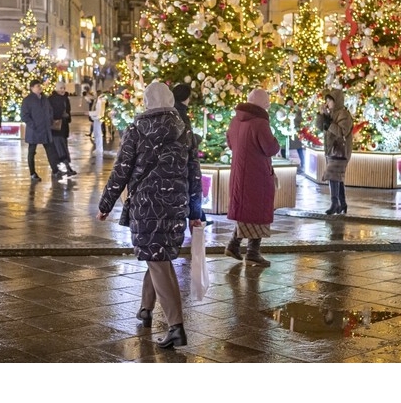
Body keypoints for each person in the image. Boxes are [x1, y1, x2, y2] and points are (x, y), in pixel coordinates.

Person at [96, 81, 202, 349]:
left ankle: (176, 326)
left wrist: (105, 204)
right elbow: (194, 174)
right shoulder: (184, 131)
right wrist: (195, 211)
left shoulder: (137, 129)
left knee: (158, 261)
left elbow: (121, 170)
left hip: (147, 206)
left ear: (146, 102)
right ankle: (145, 309)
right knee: (158, 256)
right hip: (176, 205)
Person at [224, 88, 280, 267]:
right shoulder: (260, 123)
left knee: (246, 212)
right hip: (257, 176)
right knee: (257, 212)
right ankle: (252, 253)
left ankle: (234, 245)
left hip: (240, 174)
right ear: (263, 103)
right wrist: (276, 141)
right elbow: (270, 148)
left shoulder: (235, 121)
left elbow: (230, 143)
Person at [172, 82, 209, 227]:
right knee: (190, 189)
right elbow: (185, 137)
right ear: (187, 97)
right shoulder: (180, 112)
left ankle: (199, 216)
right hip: (182, 163)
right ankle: (198, 217)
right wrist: (196, 139)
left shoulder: (174, 109)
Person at [316, 88, 353, 215]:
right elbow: (320, 126)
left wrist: (329, 123)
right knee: (338, 178)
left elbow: (342, 132)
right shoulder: (330, 113)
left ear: (336, 101)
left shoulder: (343, 114)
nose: (328, 103)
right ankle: (342, 204)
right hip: (331, 150)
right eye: (327, 100)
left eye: (330, 100)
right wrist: (322, 115)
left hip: (340, 151)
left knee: (332, 175)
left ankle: (334, 203)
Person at [20, 79, 63, 182]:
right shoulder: (27, 100)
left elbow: (49, 110)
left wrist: (50, 120)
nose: (39, 88)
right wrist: (33, 125)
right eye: (37, 86)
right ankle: (32, 173)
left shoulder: (44, 98)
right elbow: (24, 115)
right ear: (32, 88)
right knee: (31, 151)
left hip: (45, 129)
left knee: (50, 150)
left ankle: (55, 170)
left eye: (40, 86)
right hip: (34, 130)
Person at [49, 82, 77, 176]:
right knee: (60, 148)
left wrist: (67, 117)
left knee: (63, 146)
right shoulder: (51, 99)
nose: (62, 90)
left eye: (64, 88)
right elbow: (50, 112)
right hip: (56, 128)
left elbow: (68, 110)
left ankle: (59, 169)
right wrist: (59, 116)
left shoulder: (65, 99)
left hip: (63, 127)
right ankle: (64, 168)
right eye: (60, 88)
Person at [281, 96, 305, 173]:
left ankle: (303, 164)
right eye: (289, 102)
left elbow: (300, 120)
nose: (291, 104)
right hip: (285, 132)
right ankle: (285, 162)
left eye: (292, 102)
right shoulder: (283, 110)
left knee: (299, 148)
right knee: (284, 148)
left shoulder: (297, 111)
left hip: (294, 132)